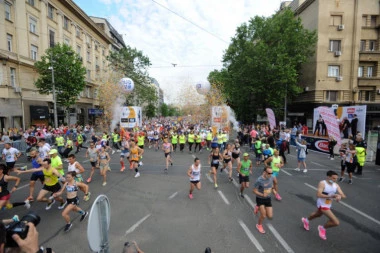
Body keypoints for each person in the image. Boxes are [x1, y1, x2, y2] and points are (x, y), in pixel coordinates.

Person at [301, 170, 346, 240]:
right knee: (336, 222)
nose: (335, 180)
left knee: (318, 214)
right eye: (334, 178)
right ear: (328, 177)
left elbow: (343, 195)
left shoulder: (336, 185)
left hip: (328, 204)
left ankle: (306, 220)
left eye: (336, 178)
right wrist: (331, 196)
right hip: (322, 204)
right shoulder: (322, 183)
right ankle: (322, 228)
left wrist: (339, 196)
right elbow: (318, 194)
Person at [253, 166, 275, 234]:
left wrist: (273, 190)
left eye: (271, 173)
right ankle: (259, 225)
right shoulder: (259, 180)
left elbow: (271, 185)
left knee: (270, 216)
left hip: (268, 198)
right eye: (269, 173)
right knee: (263, 215)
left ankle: (257, 207)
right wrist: (262, 195)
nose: (270, 174)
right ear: (264, 172)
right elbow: (254, 191)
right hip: (260, 199)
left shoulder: (271, 177)